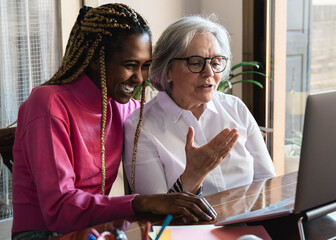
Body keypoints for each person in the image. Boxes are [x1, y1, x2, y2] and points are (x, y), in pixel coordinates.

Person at [11, 4, 216, 239]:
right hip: (44, 233)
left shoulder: (125, 107)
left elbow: (166, 111)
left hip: (99, 230)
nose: (139, 78)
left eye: (145, 66)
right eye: (130, 65)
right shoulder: (48, 103)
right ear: (96, 60)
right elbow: (59, 209)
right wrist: (140, 203)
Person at [124, 15, 276, 196]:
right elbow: (156, 215)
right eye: (195, 63)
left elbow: (269, 184)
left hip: (250, 222)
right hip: (189, 225)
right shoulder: (141, 127)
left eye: (216, 62)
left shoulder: (235, 108)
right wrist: (193, 175)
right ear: (167, 69)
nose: (209, 72)